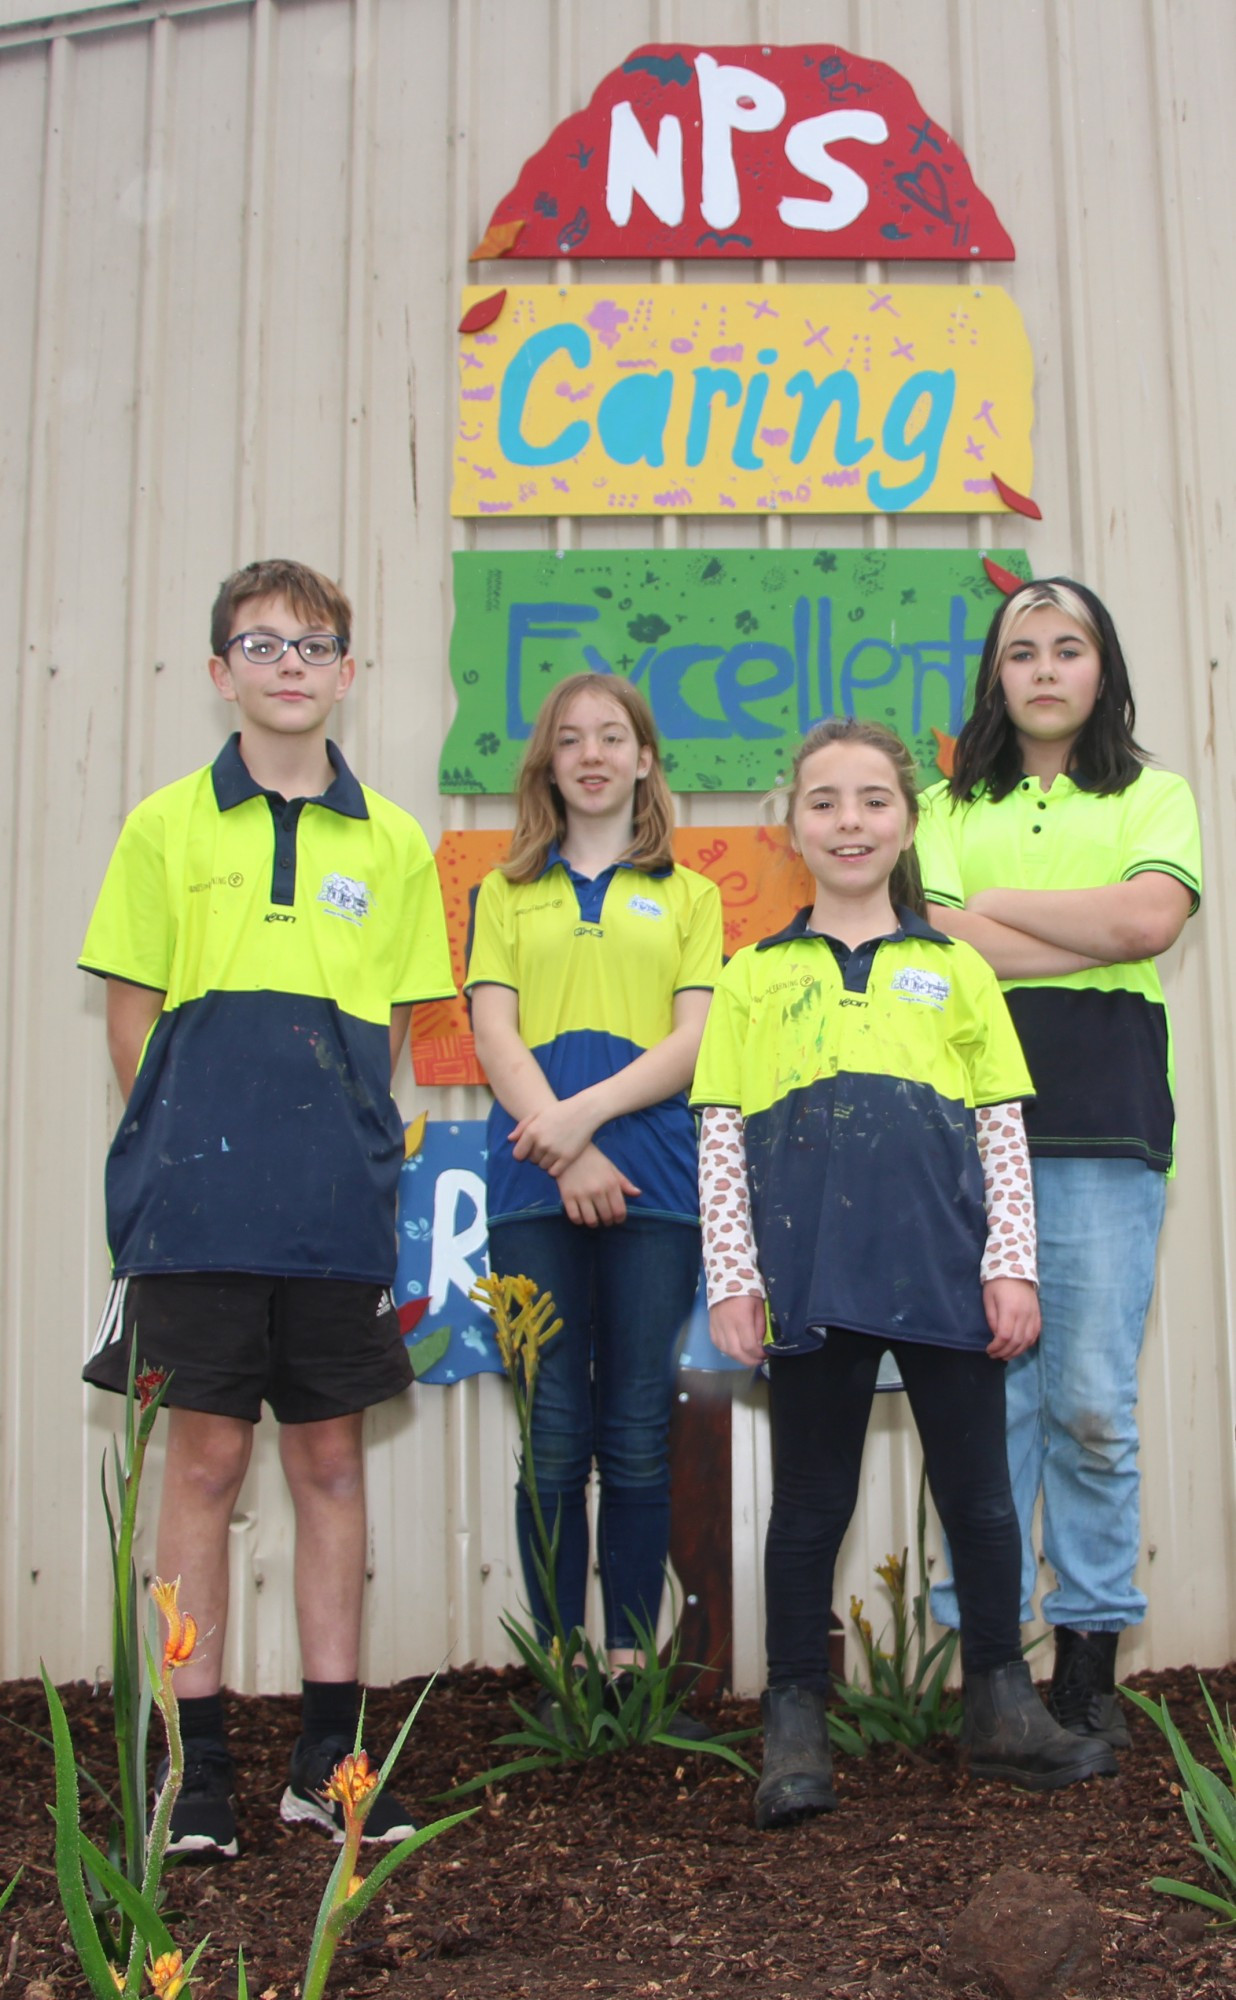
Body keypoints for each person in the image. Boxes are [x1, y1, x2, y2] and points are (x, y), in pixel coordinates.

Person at [81, 558, 454, 1858]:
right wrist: (196, 1153)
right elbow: (133, 1025)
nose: (290, 665)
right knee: (204, 1462)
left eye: (314, 645)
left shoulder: (396, 843)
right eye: (262, 642)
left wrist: (330, 1154)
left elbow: (392, 1034)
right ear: (218, 669)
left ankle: (327, 1759)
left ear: (349, 672)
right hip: (195, 1210)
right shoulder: (164, 828)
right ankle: (196, 1772)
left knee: (331, 1462)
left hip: (331, 1212)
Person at [691, 716, 1116, 1830]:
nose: (850, 821)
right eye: (825, 801)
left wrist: (1010, 1265)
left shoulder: (957, 968)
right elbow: (722, 1133)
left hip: (946, 1273)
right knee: (810, 1502)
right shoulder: (750, 978)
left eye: (875, 799)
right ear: (791, 823)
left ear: (909, 821)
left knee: (978, 1495)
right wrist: (734, 1275)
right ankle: (793, 1721)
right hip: (811, 1275)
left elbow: (1000, 1131)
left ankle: (1001, 1701)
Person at [917, 577, 1201, 1748]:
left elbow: (1148, 924)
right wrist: (1061, 925)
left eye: (1067, 648)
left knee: (1088, 1399)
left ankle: (1090, 1655)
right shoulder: (937, 803)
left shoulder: (1156, 791)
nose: (1042, 669)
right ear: (995, 673)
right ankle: (989, 1666)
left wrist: (1002, 907)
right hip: (964, 1125)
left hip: (1104, 1116)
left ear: (1103, 668)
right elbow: (933, 939)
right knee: (989, 1401)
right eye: (1021, 650)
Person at [466, 673, 722, 1720]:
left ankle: (627, 1660)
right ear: (548, 763)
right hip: (534, 1184)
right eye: (570, 738)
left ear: (646, 758)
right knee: (556, 1428)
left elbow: (696, 1039)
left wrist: (586, 1120)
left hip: (656, 1180)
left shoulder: (692, 893)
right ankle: (560, 1664)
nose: (593, 754)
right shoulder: (504, 889)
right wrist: (563, 1148)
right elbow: (493, 1033)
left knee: (635, 1428)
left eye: (614, 736)